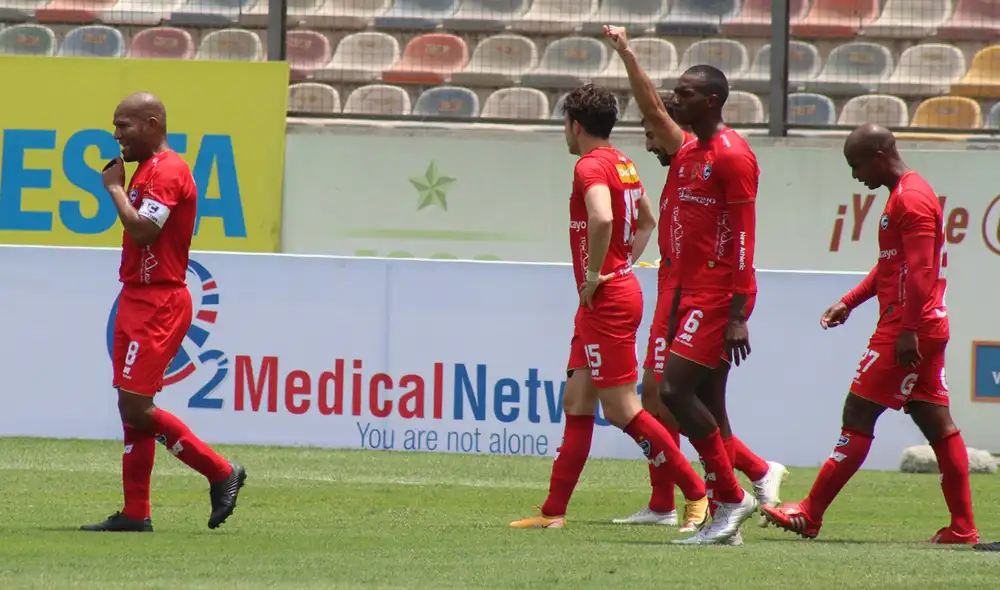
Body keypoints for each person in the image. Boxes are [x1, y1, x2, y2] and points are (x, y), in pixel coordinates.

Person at [760, 124, 978, 545]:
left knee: (858, 413)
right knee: (937, 422)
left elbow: (922, 271)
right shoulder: (905, 195)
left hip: (908, 327)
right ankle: (963, 527)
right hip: (923, 324)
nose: (855, 175)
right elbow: (892, 266)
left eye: (856, 165)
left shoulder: (911, 199)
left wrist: (908, 330)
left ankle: (810, 513)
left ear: (879, 156)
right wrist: (850, 301)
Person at [510, 83, 708, 529]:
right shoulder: (622, 162)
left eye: (565, 124)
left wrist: (598, 272)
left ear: (575, 126)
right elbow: (647, 220)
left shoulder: (589, 166)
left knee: (621, 408)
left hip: (607, 299)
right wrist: (621, 265)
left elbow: (601, 216)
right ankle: (553, 512)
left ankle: (697, 492)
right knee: (577, 400)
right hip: (609, 295)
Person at [604, 25, 760, 545]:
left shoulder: (733, 156)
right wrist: (628, 56)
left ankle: (731, 499)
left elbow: (745, 236)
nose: (676, 100)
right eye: (676, 92)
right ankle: (729, 510)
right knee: (702, 401)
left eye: (687, 93)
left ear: (712, 101)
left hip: (715, 295)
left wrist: (738, 313)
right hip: (681, 291)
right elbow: (652, 110)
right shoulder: (688, 150)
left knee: (672, 391)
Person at [81, 92, 247, 533]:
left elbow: (143, 231)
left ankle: (220, 471)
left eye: (124, 126)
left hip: (160, 302)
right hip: (136, 297)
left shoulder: (169, 170)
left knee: (137, 406)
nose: (117, 135)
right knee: (130, 406)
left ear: (152, 124)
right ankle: (135, 512)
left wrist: (114, 189)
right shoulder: (147, 171)